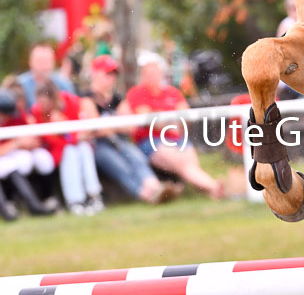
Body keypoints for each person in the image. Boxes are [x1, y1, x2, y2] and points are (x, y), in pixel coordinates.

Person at [80, 55, 182, 205]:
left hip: (120, 141)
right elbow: (97, 129)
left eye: (113, 74)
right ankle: (146, 194)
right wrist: (114, 125)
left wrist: (108, 124)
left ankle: (156, 188)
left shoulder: (117, 98)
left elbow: (130, 126)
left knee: (137, 157)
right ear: (95, 73)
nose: (111, 78)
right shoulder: (86, 98)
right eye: (107, 73)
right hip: (99, 146)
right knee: (118, 165)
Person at [124, 51, 224, 198]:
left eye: (154, 72)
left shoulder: (172, 92)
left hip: (176, 138)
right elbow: (152, 123)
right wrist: (171, 121)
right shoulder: (137, 93)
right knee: (184, 164)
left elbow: (185, 117)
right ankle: (214, 187)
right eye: (147, 73)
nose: (151, 76)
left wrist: (164, 119)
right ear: (142, 75)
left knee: (188, 164)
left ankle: (209, 188)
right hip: (151, 141)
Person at [31, 83, 105, 215]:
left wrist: (75, 135)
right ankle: (75, 201)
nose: (43, 105)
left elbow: (84, 125)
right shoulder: (38, 112)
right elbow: (48, 139)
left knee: (84, 149)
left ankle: (94, 195)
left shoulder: (70, 101)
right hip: (58, 150)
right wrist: (66, 133)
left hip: (77, 144)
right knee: (69, 153)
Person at [0, 88, 58, 220]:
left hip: (9, 157)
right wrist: (16, 143)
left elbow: (35, 140)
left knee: (34, 159)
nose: (6, 117)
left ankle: (36, 203)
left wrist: (25, 143)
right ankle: (6, 209)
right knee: (8, 165)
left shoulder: (17, 117)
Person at [18, 44, 76, 108]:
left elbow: (74, 107)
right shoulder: (20, 84)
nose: (43, 65)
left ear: (53, 62)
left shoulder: (63, 83)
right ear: (30, 62)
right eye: (40, 61)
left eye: (47, 61)